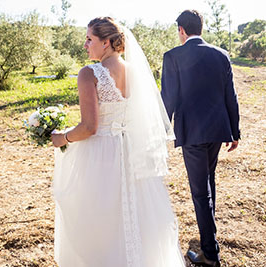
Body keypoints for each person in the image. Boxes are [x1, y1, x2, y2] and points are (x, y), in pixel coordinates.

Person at [51, 17, 185, 267]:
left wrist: (62, 137)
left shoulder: (88, 73)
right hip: (130, 150)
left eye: (90, 39)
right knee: (137, 214)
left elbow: (89, 127)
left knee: (100, 216)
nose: (85, 44)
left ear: (107, 42)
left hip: (100, 154)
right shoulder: (136, 72)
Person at [161, 10, 240, 267]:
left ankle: (210, 253)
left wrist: (162, 129)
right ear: (201, 28)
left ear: (182, 30)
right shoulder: (221, 55)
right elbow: (231, 95)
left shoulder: (172, 56)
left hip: (192, 131)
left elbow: (168, 98)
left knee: (200, 191)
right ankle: (210, 236)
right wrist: (235, 131)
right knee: (208, 182)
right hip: (218, 129)